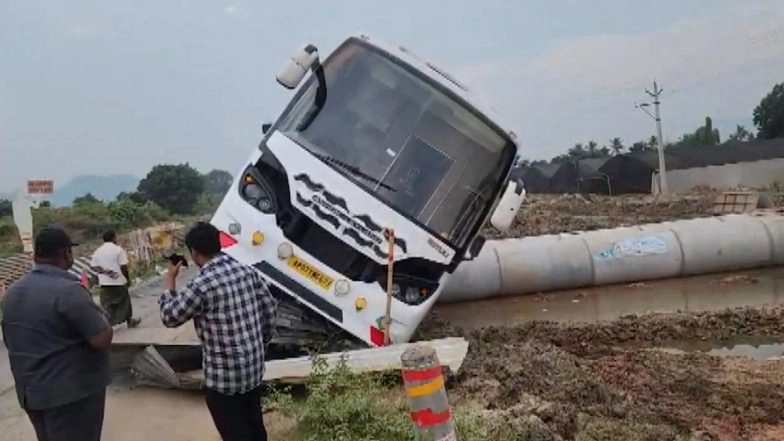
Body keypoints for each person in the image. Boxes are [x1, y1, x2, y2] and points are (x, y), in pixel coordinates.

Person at [159, 221, 278, 441]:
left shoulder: (201, 285)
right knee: (255, 426)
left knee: (236, 434)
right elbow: (270, 309)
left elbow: (170, 316)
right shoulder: (247, 271)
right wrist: (261, 346)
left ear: (194, 252)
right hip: (253, 370)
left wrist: (169, 282)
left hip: (223, 380)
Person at [1, 227, 113, 441]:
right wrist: (100, 312)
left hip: (32, 394)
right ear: (65, 253)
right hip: (71, 395)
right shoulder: (69, 290)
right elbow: (102, 338)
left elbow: (11, 339)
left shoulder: (13, 293)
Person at [90, 229, 141, 328]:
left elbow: (93, 266)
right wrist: (127, 279)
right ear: (113, 238)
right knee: (125, 302)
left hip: (104, 284)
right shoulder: (118, 249)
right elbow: (123, 266)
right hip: (118, 282)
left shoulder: (98, 251)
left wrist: (105, 272)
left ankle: (104, 324)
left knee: (106, 305)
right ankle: (129, 321)